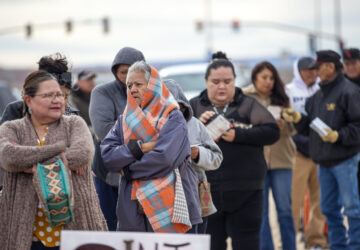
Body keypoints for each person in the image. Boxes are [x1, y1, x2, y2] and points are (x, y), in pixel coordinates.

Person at [0, 71, 107, 250]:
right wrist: (59, 149)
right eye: (48, 95)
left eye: (59, 94)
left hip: (75, 232)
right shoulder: (12, 128)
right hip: (27, 236)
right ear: (28, 100)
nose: (57, 100)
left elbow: (82, 153)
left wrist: (30, 164)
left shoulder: (74, 124)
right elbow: (9, 157)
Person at [190, 52, 280, 250]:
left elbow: (273, 131)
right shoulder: (195, 106)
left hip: (246, 191)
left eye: (227, 81)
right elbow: (178, 140)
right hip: (206, 192)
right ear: (206, 81)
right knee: (212, 245)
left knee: (247, 245)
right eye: (215, 81)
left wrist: (239, 135)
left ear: (234, 81)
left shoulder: (247, 104)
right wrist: (199, 129)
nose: (222, 86)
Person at [100, 61, 202, 233]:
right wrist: (138, 148)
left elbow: (164, 159)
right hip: (133, 209)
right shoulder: (124, 120)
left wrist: (128, 170)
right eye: (129, 85)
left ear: (154, 86)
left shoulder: (173, 117)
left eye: (138, 84)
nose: (132, 89)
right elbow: (108, 156)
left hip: (173, 207)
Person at [282, 50, 360, 250]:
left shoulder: (349, 92)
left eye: (318, 67)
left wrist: (339, 136)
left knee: (352, 209)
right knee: (329, 209)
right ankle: (338, 246)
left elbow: (357, 126)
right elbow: (311, 126)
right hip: (323, 163)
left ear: (330, 67)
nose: (315, 72)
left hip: (345, 160)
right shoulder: (317, 96)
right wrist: (299, 120)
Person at [89, 47, 145, 231]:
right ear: (115, 72)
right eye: (123, 72)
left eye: (134, 72)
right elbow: (105, 132)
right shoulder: (102, 92)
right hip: (110, 174)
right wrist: (144, 133)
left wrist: (119, 122)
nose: (128, 78)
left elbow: (165, 129)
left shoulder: (155, 92)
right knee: (109, 227)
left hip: (148, 172)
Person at [243, 61, 296, 250]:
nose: (268, 81)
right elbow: (241, 126)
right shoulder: (245, 96)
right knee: (261, 212)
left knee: (285, 210)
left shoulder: (282, 98)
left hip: (282, 161)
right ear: (255, 77)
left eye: (272, 78)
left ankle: (290, 247)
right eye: (264, 77)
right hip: (257, 162)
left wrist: (283, 124)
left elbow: (292, 131)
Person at [164, 79, 223, 234]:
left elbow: (217, 157)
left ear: (184, 105)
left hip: (195, 196)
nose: (174, 112)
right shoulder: (149, 127)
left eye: (178, 107)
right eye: (167, 107)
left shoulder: (195, 125)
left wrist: (198, 154)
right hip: (163, 199)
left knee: (196, 240)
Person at [285, 57, 327, 249]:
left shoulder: (323, 89)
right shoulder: (288, 91)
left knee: (320, 201)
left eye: (313, 69)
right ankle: (290, 242)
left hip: (321, 152)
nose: (310, 72)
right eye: (306, 70)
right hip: (297, 153)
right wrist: (298, 141)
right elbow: (286, 122)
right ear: (298, 71)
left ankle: (316, 241)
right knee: (293, 201)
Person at [0, 53, 78, 124]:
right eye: (50, 95)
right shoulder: (17, 110)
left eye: (64, 96)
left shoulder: (72, 115)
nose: (59, 101)